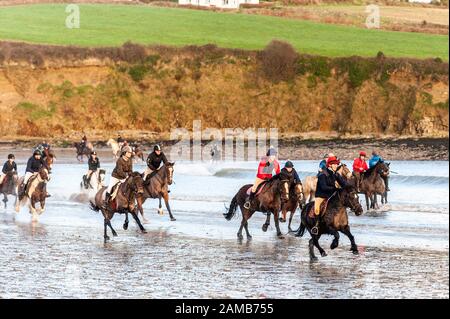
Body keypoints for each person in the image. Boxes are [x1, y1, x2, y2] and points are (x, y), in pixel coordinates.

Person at [312, 156, 348, 234]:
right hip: (321, 196)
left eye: (336, 164)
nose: (336, 166)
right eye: (334, 164)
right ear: (329, 165)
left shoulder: (335, 174)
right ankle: (316, 225)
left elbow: (343, 183)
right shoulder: (322, 174)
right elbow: (324, 187)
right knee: (317, 209)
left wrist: (349, 187)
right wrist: (335, 189)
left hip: (331, 195)